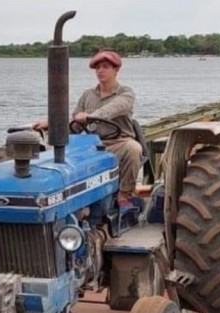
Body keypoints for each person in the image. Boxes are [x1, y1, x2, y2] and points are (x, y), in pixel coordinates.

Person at [34, 49, 142, 210]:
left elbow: (114, 109)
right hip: (91, 144)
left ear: (116, 70)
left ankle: (124, 194)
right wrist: (52, 124)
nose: (100, 71)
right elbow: (76, 123)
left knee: (134, 149)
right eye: (97, 68)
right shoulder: (88, 95)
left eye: (105, 67)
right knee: (64, 158)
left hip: (118, 142)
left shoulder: (126, 93)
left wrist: (90, 116)